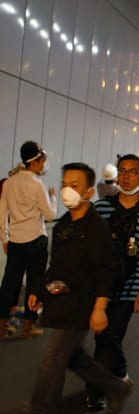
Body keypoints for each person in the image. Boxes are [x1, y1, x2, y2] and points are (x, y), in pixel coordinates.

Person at [9, 163, 132, 414]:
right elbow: (56, 265)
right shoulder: (64, 223)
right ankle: (117, 388)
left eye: (74, 185)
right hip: (61, 303)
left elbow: (105, 271)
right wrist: (37, 291)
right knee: (74, 358)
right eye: (65, 183)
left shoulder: (96, 228)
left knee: (52, 360)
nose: (67, 190)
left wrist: (100, 309)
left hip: (81, 305)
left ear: (89, 191)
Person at [86, 154, 139, 414]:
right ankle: (118, 375)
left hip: (130, 287)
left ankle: (95, 392)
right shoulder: (101, 208)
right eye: (122, 171)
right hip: (100, 289)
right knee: (103, 338)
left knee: (110, 336)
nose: (126, 176)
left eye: (132, 172)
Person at [0, 141, 57, 339]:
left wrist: (4, 238)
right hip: (35, 240)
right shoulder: (37, 185)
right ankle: (28, 327)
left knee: (9, 283)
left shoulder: (9, 182)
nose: (43, 164)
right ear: (35, 161)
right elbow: (49, 215)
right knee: (35, 283)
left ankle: (2, 325)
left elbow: (2, 213)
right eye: (42, 160)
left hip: (15, 241)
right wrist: (53, 198)